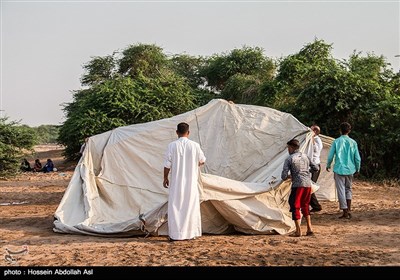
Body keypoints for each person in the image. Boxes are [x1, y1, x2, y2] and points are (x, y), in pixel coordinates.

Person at [163, 122, 206, 242]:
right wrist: (193, 163)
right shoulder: (195, 145)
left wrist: (165, 178)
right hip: (191, 183)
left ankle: (175, 235)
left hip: (176, 182)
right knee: (190, 207)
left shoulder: (172, 146)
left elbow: (167, 165)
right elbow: (202, 161)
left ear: (177, 132)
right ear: (188, 132)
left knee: (175, 207)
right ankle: (190, 234)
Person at [281, 138, 319, 237]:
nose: (288, 150)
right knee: (305, 205)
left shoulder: (289, 159)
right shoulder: (305, 156)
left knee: (295, 206)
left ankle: (298, 231)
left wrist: (291, 175)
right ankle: (309, 228)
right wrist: (305, 172)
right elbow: (316, 168)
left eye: (288, 148)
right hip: (307, 184)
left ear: (292, 147)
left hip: (297, 185)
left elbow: (283, 176)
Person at [326, 122, 361, 219]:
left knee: (341, 190)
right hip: (350, 169)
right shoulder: (353, 142)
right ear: (349, 131)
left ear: (340, 130)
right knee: (348, 189)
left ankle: (345, 211)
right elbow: (357, 158)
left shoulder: (336, 142)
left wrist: (328, 165)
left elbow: (330, 156)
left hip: (339, 168)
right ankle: (349, 209)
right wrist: (357, 168)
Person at [309, 125, 323, 212]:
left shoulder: (317, 141)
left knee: (310, 186)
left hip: (315, 166)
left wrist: (312, 140)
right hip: (312, 165)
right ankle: (315, 205)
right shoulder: (313, 140)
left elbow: (315, 150)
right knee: (309, 186)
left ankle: (316, 206)